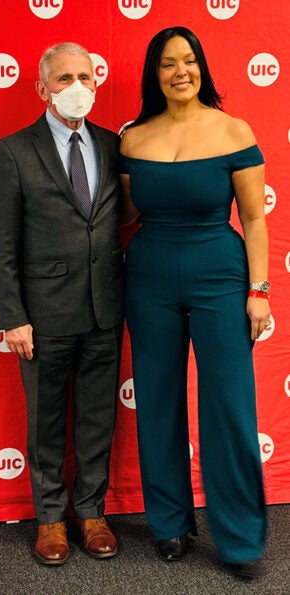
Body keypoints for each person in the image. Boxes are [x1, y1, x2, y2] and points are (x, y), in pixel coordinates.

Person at [120, 26, 269, 579]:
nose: (179, 71)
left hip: (219, 275)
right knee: (157, 401)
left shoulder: (234, 131)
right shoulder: (133, 138)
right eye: (167, 63)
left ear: (202, 67)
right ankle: (169, 524)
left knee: (229, 406)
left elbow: (253, 219)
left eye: (188, 61)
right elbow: (125, 216)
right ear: (153, 74)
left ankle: (239, 538)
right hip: (150, 277)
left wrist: (259, 291)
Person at [0, 42, 124, 565]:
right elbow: (0, 244)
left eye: (85, 76)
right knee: (45, 421)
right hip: (42, 318)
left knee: (97, 418)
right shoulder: (14, 150)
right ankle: (49, 519)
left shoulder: (114, 145)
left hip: (106, 310)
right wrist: (13, 317)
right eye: (64, 78)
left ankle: (91, 513)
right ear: (43, 89)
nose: (77, 87)